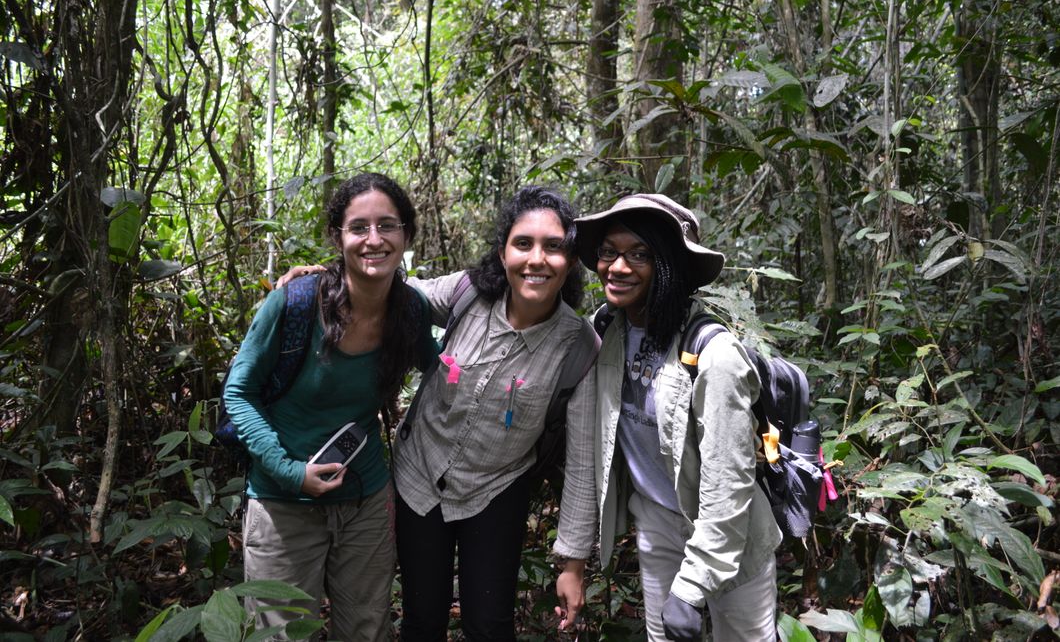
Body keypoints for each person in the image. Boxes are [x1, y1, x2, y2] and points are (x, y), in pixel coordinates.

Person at [279, 186, 598, 641]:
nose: (537, 259)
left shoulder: (579, 346)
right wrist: (329, 279)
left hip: (495, 488)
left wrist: (572, 562)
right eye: (523, 243)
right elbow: (393, 289)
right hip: (418, 478)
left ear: (570, 259)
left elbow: (584, 461)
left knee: (489, 626)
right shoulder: (469, 294)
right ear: (504, 250)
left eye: (554, 247)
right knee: (422, 621)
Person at [224, 173, 436, 641]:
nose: (374, 240)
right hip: (284, 503)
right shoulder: (294, 304)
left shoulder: (411, 310)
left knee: (366, 630)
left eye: (388, 226)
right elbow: (238, 393)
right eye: (359, 227)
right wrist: (288, 470)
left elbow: (441, 371)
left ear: (406, 234)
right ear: (338, 237)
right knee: (280, 634)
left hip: (366, 501)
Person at [574, 194, 781, 642]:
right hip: (657, 522)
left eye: (640, 254)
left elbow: (729, 483)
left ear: (668, 264)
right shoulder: (606, 330)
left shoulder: (716, 354)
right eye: (609, 251)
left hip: (733, 536)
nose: (618, 267)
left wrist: (691, 589)